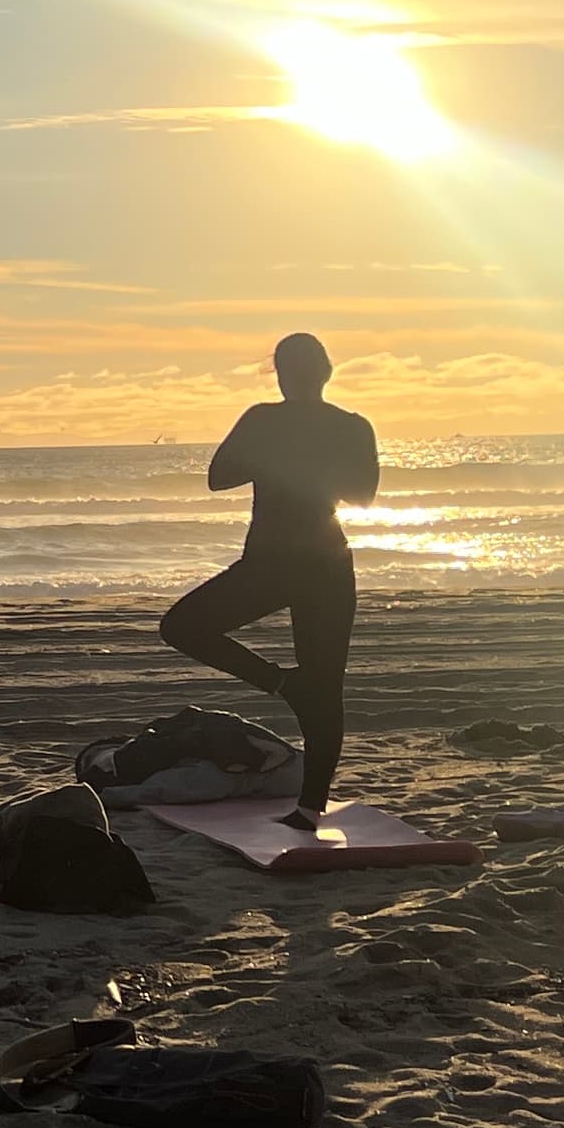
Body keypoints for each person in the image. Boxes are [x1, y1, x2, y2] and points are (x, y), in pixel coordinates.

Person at [162, 333, 379, 825]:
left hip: (320, 564)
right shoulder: (262, 418)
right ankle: (284, 685)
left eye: (293, 370)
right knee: (181, 627)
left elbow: (363, 494)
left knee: (326, 686)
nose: (288, 379)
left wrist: (297, 462)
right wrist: (277, 453)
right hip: (273, 563)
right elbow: (218, 477)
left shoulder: (349, 425)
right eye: (283, 370)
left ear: (321, 373)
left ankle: (310, 808)